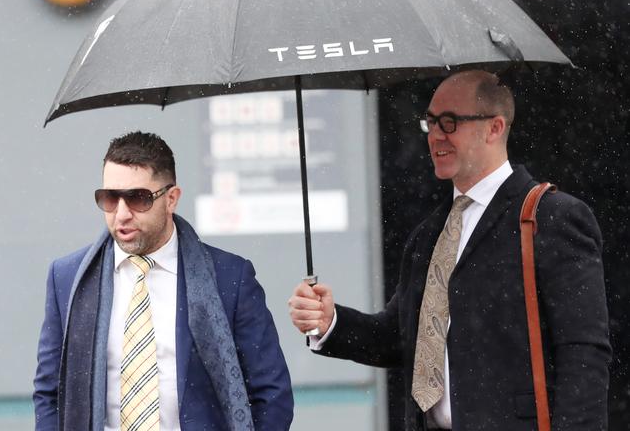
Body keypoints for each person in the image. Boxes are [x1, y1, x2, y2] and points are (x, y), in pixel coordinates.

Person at [288, 70, 611, 431]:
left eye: (450, 122)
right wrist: (329, 321)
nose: (436, 135)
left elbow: (583, 353)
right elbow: (400, 338)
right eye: (431, 122)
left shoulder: (552, 218)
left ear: (495, 127)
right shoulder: (428, 235)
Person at [34, 131, 293, 431]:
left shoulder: (229, 277)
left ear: (171, 199)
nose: (121, 214)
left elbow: (271, 394)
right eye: (109, 198)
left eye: (138, 198)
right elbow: (50, 393)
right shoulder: (68, 278)